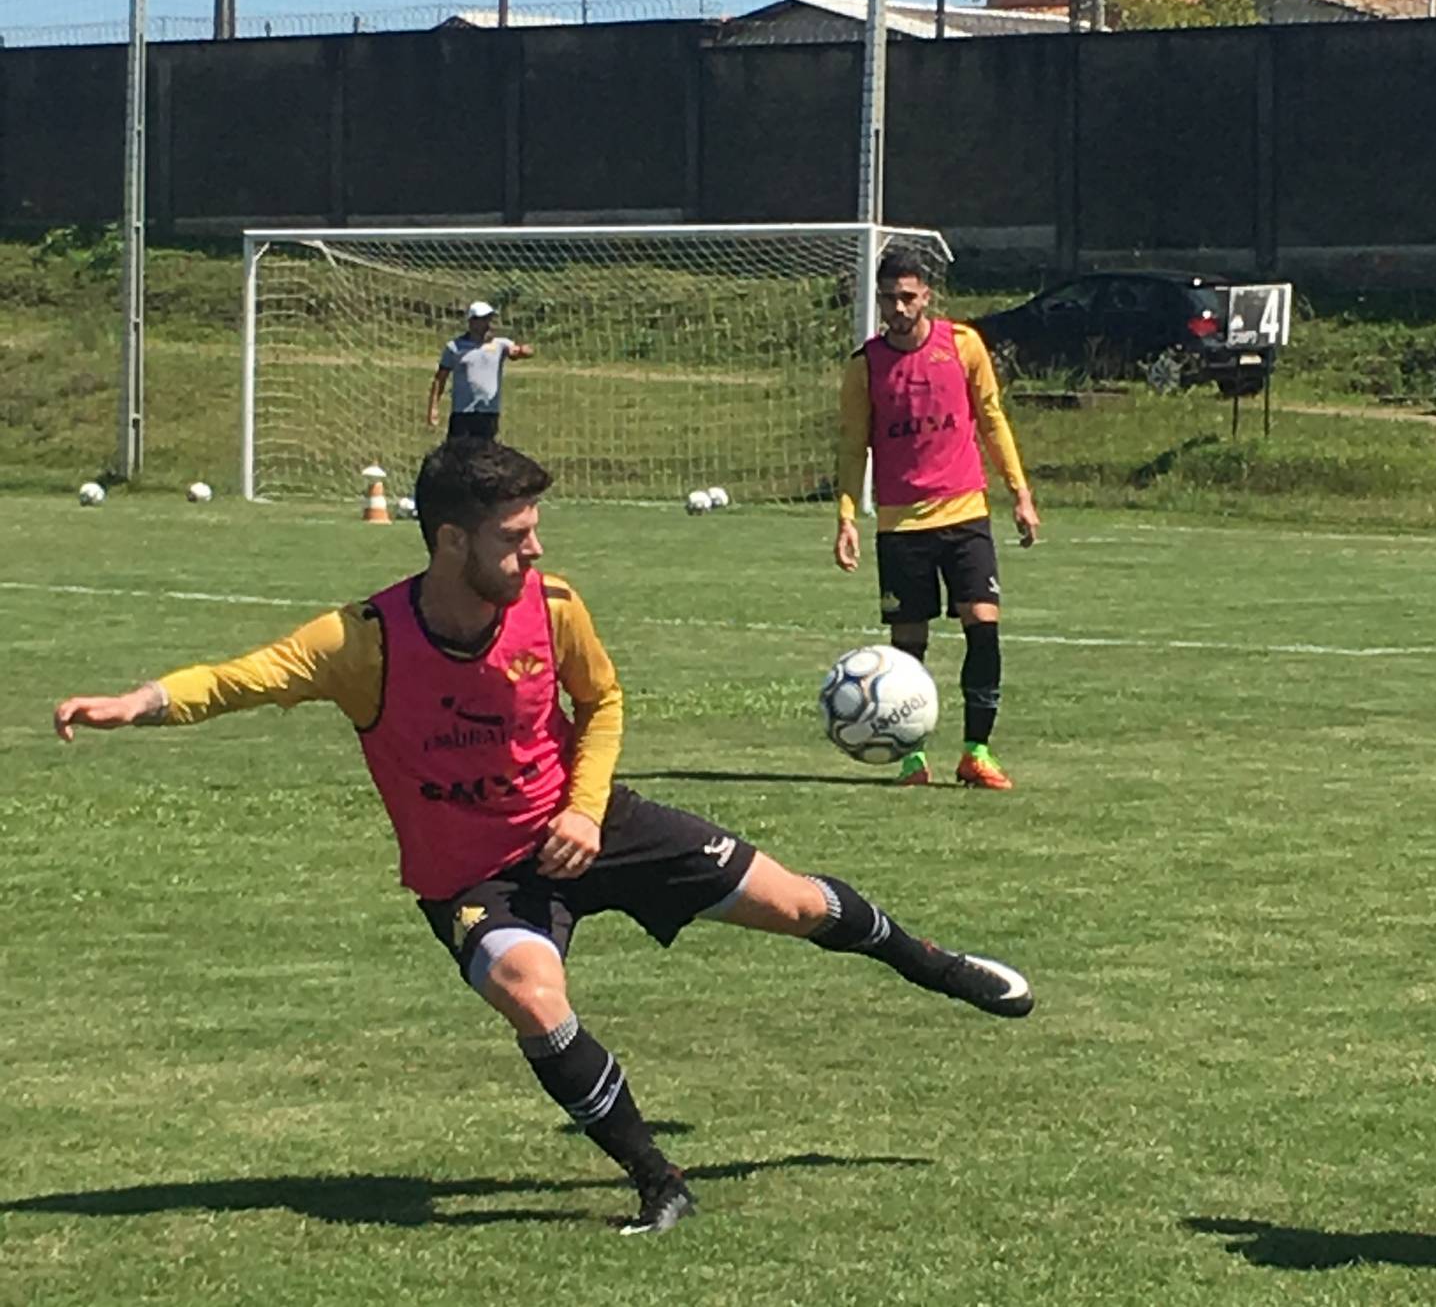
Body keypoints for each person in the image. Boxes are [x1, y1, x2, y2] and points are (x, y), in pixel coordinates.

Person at [52, 438, 1034, 1236]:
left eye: (534, 532)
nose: (531, 552)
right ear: (448, 541)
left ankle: (941, 967)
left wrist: (581, 805)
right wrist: (130, 705)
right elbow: (237, 677)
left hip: (589, 822)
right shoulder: (363, 641)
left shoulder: (552, 606)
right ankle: (657, 1177)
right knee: (530, 989)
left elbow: (601, 701)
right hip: (476, 874)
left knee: (796, 902)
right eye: (514, 536)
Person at [834, 250, 1041, 790]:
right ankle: (911, 758)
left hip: (966, 512)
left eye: (907, 296)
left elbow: (992, 421)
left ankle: (977, 751)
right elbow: (854, 447)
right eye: (888, 299)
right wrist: (847, 517)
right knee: (908, 646)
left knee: (983, 624)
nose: (897, 308)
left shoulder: (964, 346)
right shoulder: (866, 365)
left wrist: (1020, 493)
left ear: (927, 295)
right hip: (901, 526)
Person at [428, 301, 533, 440]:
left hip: (488, 413)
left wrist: (523, 350)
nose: (487, 323)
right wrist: (433, 408)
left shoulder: (500, 344)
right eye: (483, 319)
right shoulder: (455, 347)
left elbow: (521, 352)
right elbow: (440, 378)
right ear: (472, 322)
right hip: (462, 413)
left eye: (489, 318)